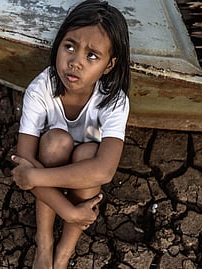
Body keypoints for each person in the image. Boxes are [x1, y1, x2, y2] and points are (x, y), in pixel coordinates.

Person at [10, 0, 130, 268]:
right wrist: (69, 211)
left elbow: (104, 171)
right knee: (55, 142)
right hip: (51, 158)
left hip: (80, 171)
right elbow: (24, 160)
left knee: (89, 153)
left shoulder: (114, 101)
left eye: (92, 56)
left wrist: (34, 177)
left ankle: (63, 253)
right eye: (70, 47)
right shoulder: (40, 89)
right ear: (59, 44)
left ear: (109, 65)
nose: (75, 62)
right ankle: (44, 243)